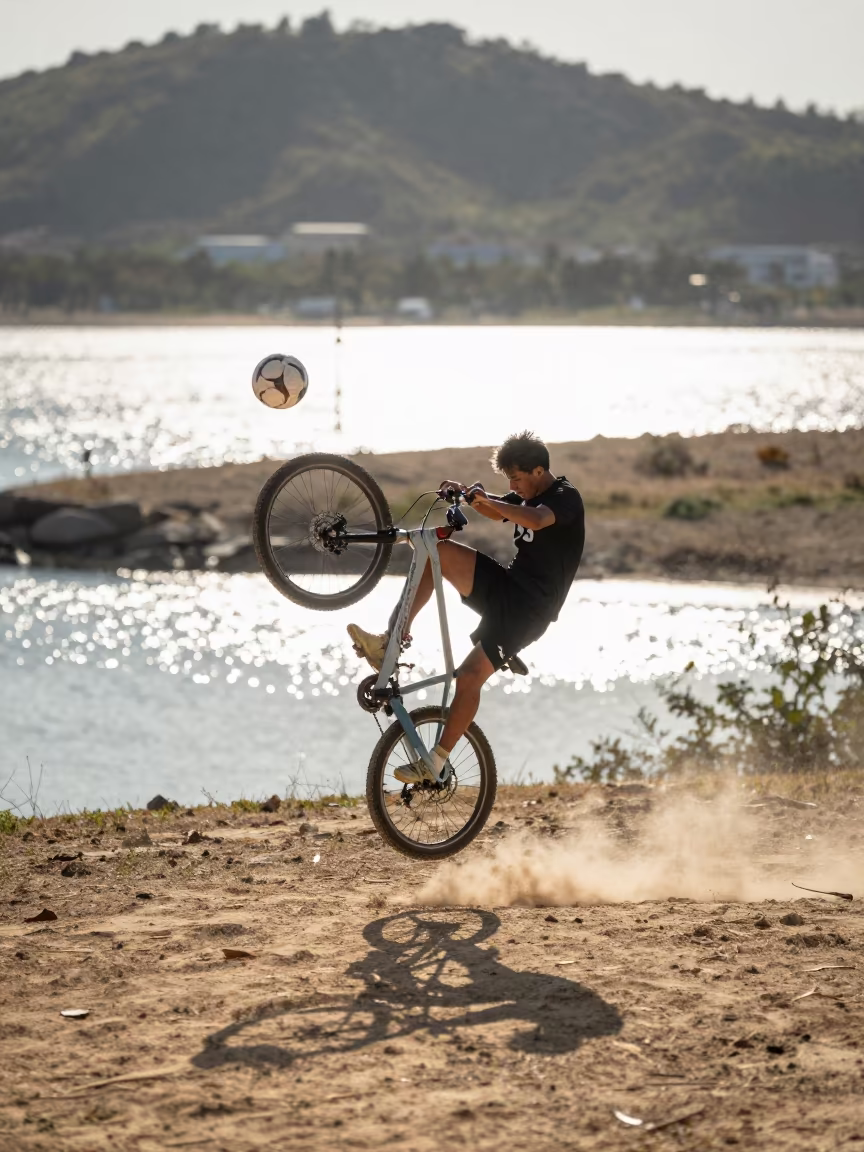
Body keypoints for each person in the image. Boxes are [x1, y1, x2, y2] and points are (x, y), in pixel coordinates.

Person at [347, 430, 585, 784]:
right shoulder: (525, 494)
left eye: (517, 479)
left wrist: (490, 500)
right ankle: (391, 640)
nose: (514, 487)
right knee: (435, 551)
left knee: (469, 676)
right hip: (507, 586)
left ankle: (437, 761)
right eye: (510, 481)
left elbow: (533, 519)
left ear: (538, 471)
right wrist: (470, 495)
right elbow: (496, 509)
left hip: (529, 610)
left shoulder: (565, 497)